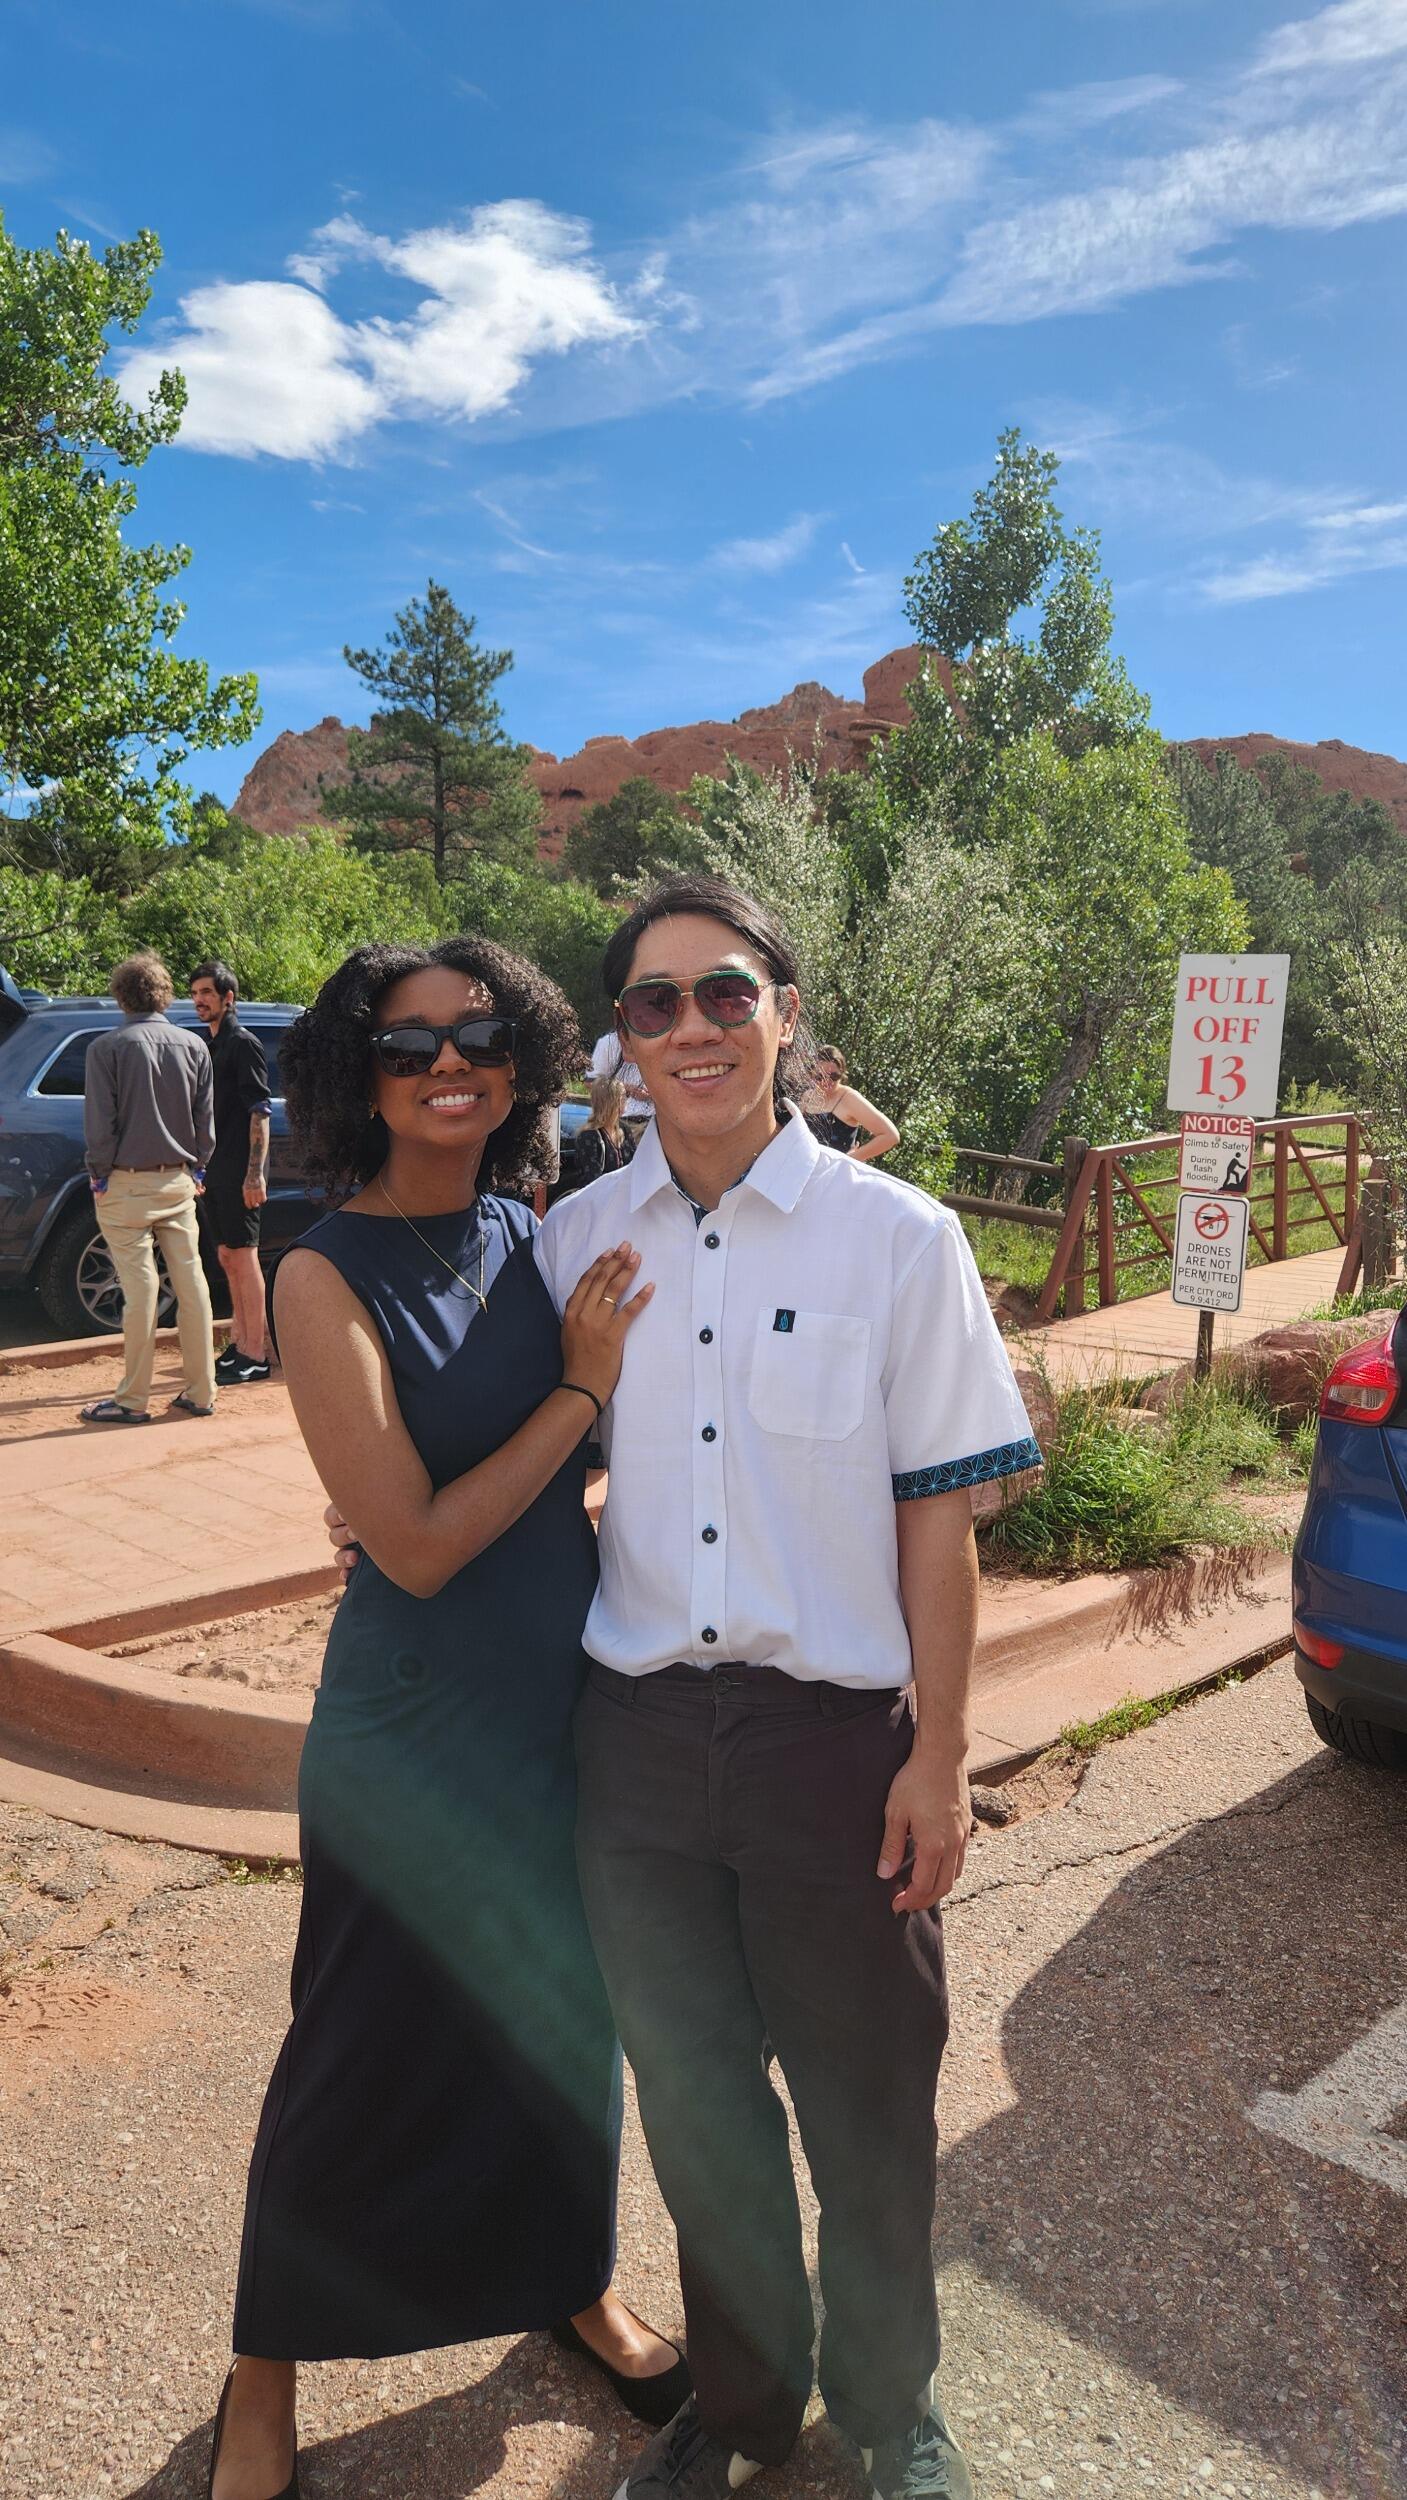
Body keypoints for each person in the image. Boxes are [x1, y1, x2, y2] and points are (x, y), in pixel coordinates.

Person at [536, 876, 1040, 2500]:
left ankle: (892, 2412)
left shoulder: (897, 1241)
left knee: (868, 2109)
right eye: (652, 1003)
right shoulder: (572, 1242)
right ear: (620, 1043)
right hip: (639, 1753)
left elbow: (936, 1520)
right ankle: (742, 2409)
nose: (690, 1026)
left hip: (837, 1749)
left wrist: (938, 1757)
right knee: (696, 2115)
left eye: (723, 993)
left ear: (786, 1014)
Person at [207, 935, 688, 2500]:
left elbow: (585, 1472)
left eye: (478, 1035)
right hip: (410, 1732)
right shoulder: (319, 1265)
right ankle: (262, 2366)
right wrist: (574, 1394)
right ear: (360, 1071)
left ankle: (571, 2280)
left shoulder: (532, 1233)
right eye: (408, 1045)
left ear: (523, 1061)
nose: (447, 1064)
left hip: (564, 1701)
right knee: (360, 2042)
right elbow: (409, 1546)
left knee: (564, 2020)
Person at [78, 953, 218, 1425]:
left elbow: (101, 1126)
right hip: (179, 1181)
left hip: (125, 1182)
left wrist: (98, 1176)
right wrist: (198, 1169)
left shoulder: (106, 1048)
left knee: (140, 1289)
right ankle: (201, 1391)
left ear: (121, 995)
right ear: (164, 993)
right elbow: (206, 1123)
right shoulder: (193, 1046)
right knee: (192, 1282)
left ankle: (133, 1401)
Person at [190, 960, 274, 1385]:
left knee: (245, 1258)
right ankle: (239, 1342)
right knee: (226, 1256)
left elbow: (260, 1112)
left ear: (228, 997)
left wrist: (254, 1174)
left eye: (207, 992)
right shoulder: (211, 1045)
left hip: (241, 1170)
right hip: (215, 1171)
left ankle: (256, 1355)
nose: (200, 1000)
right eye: (195, 993)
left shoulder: (243, 1043)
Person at [802, 1043, 900, 1163]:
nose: (826, 1082)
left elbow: (891, 1136)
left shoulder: (849, 1098)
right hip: (804, 1166)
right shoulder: (807, 1096)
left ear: (842, 1073)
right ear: (811, 1074)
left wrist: (852, 1158)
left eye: (833, 1076)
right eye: (820, 1076)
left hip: (835, 1174)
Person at [575, 1072, 633, 1186]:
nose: (626, 1100)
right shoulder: (589, 1136)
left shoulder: (624, 1129)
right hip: (600, 1199)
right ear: (611, 1101)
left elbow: (635, 1165)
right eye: (623, 1096)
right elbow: (593, 1180)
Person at [590, 1025, 655, 1121]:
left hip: (653, 1121)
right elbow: (591, 1083)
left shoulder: (659, 1041)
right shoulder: (609, 1043)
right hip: (618, 1120)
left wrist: (651, 1096)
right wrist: (626, 1089)